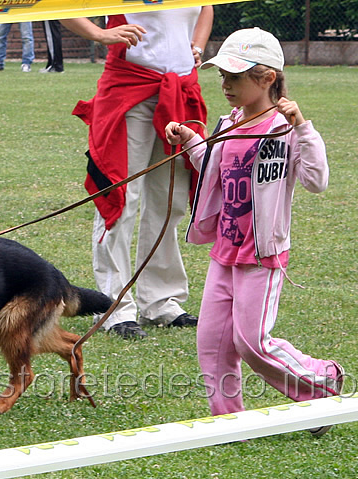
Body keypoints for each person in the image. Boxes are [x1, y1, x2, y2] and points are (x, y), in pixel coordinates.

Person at [165, 27, 343, 436]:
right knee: (212, 345)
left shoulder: (283, 129)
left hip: (261, 256)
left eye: (235, 77)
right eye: (222, 77)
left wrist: (303, 127)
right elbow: (215, 169)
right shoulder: (229, 122)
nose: (225, 85)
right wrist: (193, 139)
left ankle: (322, 381)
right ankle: (229, 422)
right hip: (224, 251)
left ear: (266, 79)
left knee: (252, 342)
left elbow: (317, 181)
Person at [61, 7, 213, 338]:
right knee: (120, 199)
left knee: (169, 202)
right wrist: (99, 34)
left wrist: (197, 45)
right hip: (130, 90)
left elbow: (206, 6)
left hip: (180, 90)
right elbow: (61, 7)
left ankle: (162, 301)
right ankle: (114, 305)